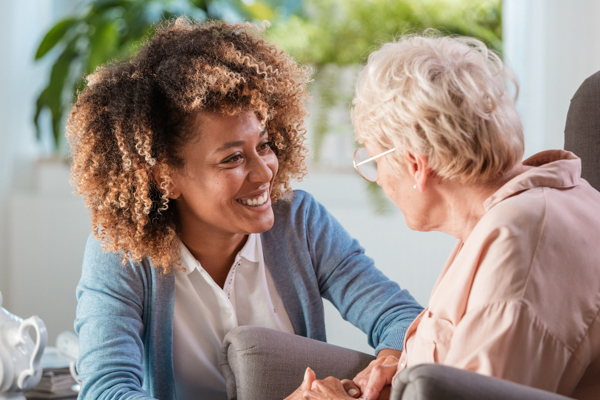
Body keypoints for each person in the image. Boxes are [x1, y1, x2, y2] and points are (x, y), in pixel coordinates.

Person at [69, 18, 423, 400]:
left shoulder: (300, 223)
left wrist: (385, 366)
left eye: (265, 145)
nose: (264, 171)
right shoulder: (123, 253)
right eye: (233, 158)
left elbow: (401, 317)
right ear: (165, 177)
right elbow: (107, 389)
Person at [296, 34, 600, 400]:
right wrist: (403, 368)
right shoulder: (514, 213)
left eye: (374, 161)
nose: (380, 181)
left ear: (415, 165)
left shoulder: (518, 245)